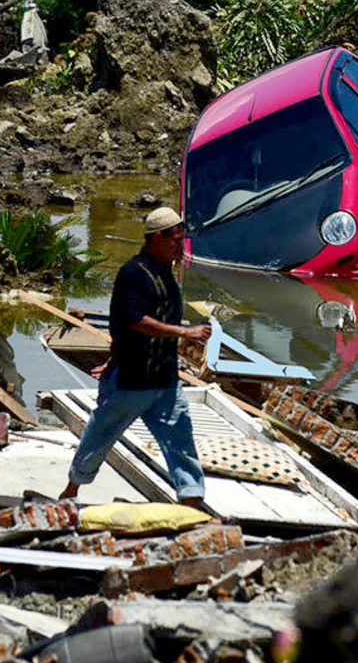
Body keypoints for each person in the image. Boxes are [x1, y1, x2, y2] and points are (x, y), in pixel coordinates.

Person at [61, 206, 212, 510]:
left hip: (165, 380)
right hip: (132, 379)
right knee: (101, 435)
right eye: (175, 241)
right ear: (157, 237)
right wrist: (185, 333)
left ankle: (192, 501)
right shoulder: (133, 273)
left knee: (181, 440)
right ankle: (72, 489)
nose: (179, 247)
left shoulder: (166, 274)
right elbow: (134, 321)